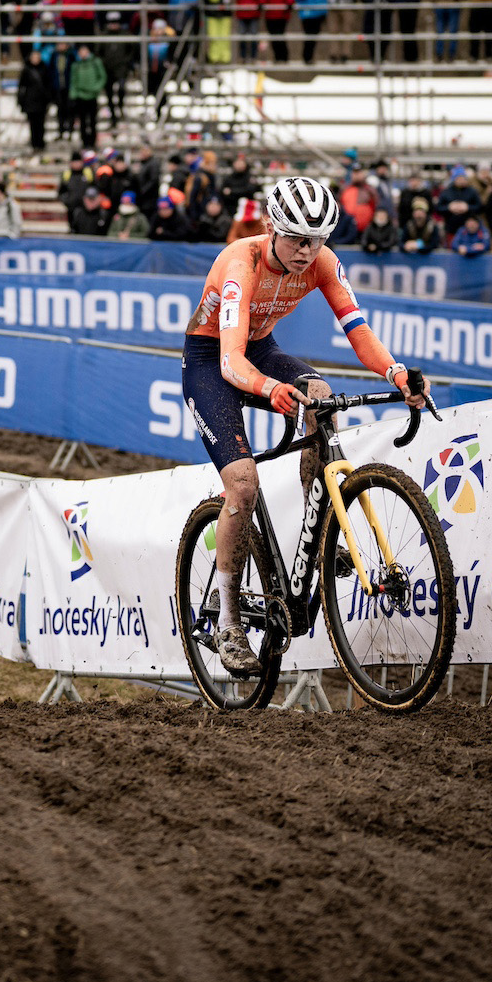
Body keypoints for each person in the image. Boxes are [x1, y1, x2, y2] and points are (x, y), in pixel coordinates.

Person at [181, 178, 428, 671]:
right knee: (244, 486)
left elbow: (359, 332)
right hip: (213, 361)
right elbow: (231, 364)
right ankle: (228, 622)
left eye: (316, 239)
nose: (305, 250)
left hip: (261, 350)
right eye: (296, 238)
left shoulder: (323, 262)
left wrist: (397, 373)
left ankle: (321, 538)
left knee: (322, 398)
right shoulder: (240, 264)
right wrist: (271, 390)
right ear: (271, 227)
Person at [67, 44, 107, 149]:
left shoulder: (95, 62)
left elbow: (102, 77)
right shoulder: (76, 65)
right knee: (83, 121)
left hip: (92, 96)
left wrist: (96, 88)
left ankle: (93, 142)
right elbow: (73, 80)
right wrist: (74, 94)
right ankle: (85, 142)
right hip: (80, 96)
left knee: (93, 120)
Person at [16, 49, 55, 157]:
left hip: (41, 102)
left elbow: (48, 85)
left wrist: (48, 99)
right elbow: (21, 87)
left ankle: (40, 144)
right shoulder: (26, 70)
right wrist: (21, 101)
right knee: (33, 125)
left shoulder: (44, 69)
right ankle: (34, 144)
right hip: (30, 102)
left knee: (41, 124)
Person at [290, 0, 328, 64]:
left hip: (318, 13)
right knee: (308, 35)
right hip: (306, 13)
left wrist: (324, 10)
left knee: (315, 35)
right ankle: (306, 57)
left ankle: (311, 57)